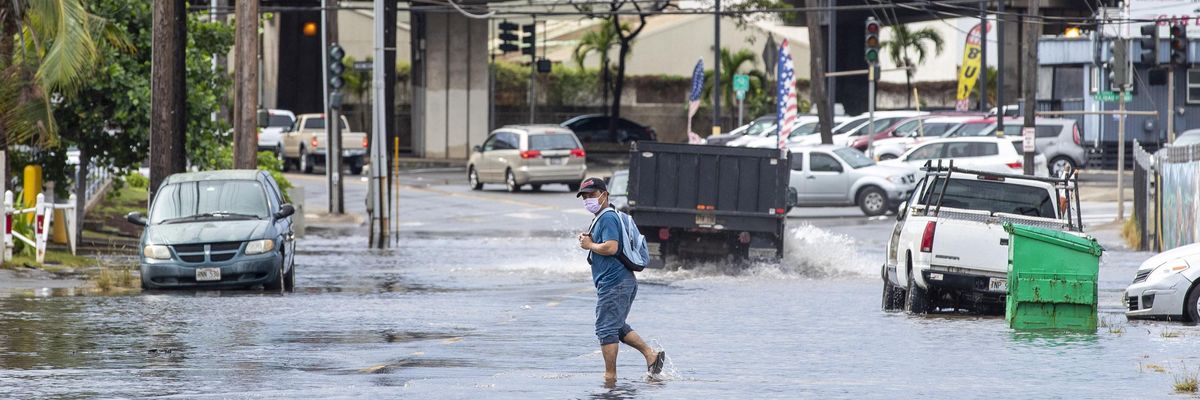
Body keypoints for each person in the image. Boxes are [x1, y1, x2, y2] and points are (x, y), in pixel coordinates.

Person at [576, 177, 665, 383]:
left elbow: (611, 247)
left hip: (615, 283)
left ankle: (610, 377)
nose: (588, 200)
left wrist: (589, 245)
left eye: (592, 195)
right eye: (585, 197)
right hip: (620, 282)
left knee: (606, 328)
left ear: (604, 195)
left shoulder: (607, 217)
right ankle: (650, 355)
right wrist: (589, 240)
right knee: (615, 325)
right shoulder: (605, 216)